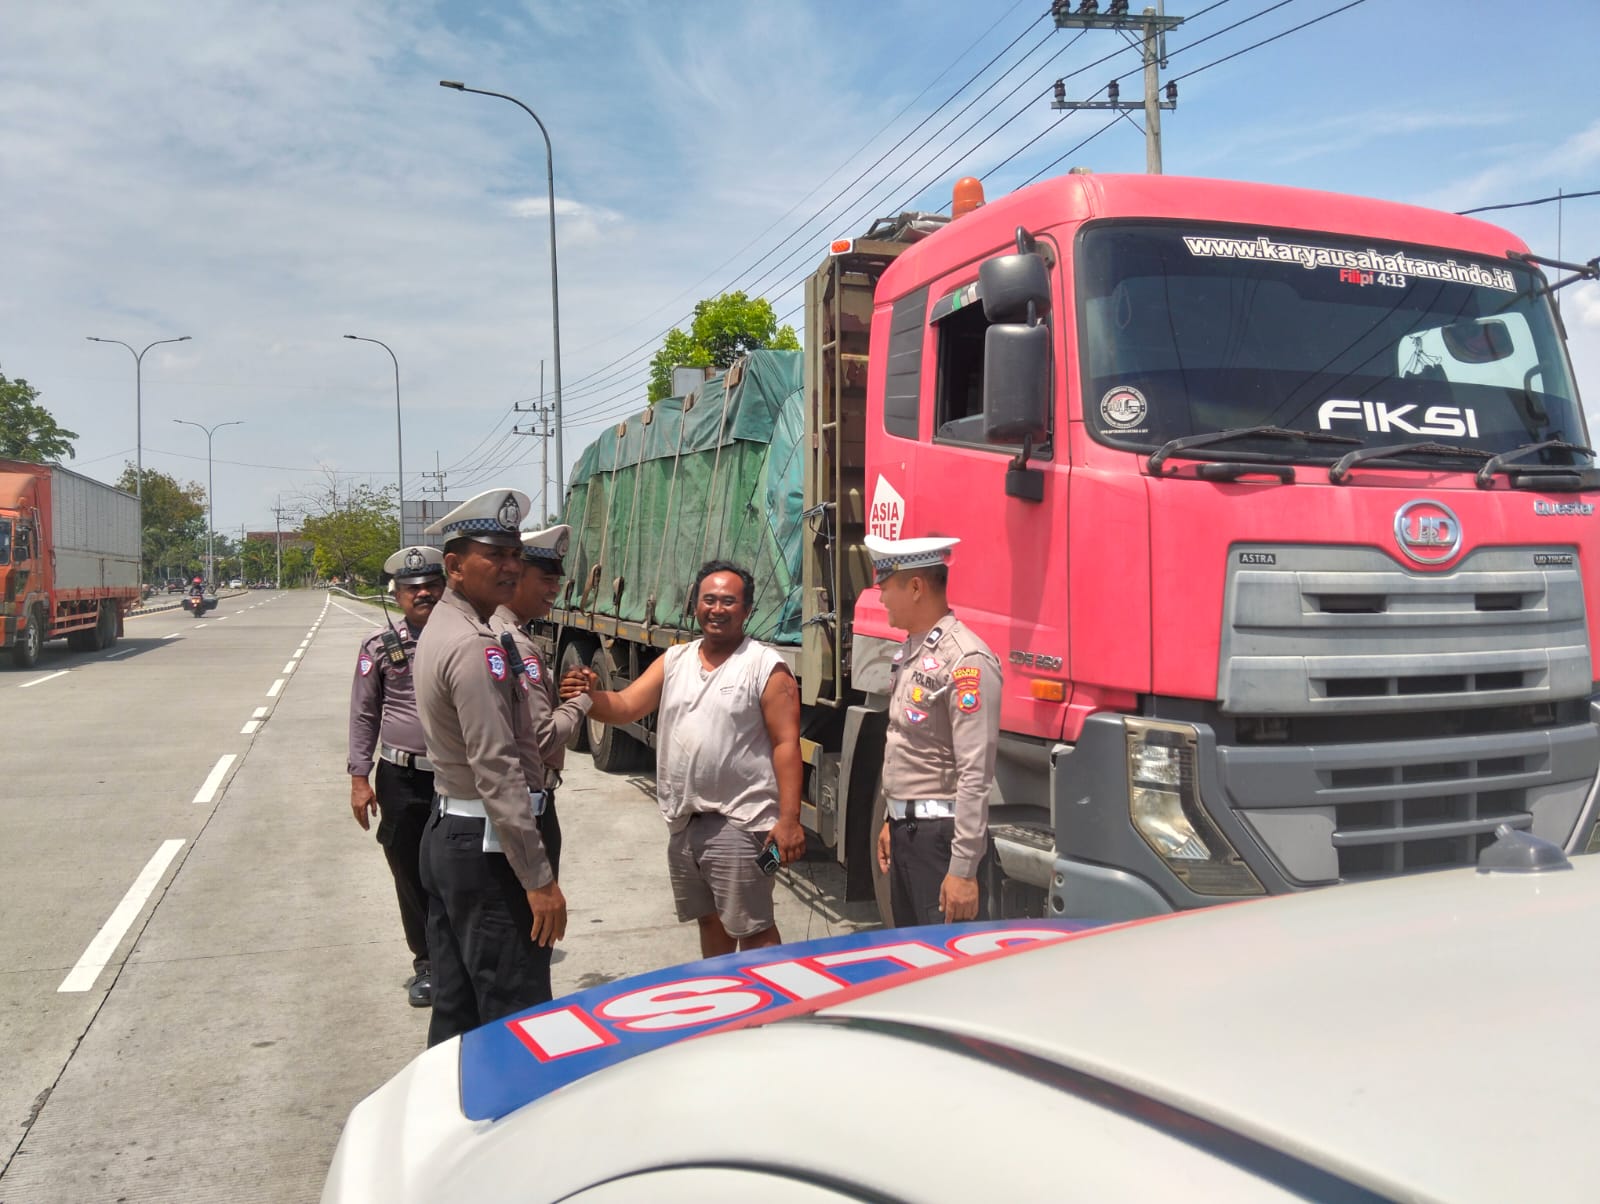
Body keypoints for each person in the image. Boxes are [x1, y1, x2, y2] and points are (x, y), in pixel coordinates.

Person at [563, 559, 804, 958]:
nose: (717, 608)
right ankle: (722, 1002)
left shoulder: (764, 666)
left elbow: (786, 745)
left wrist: (789, 820)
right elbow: (624, 706)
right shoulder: (675, 661)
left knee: (754, 929)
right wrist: (589, 695)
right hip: (685, 825)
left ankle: (768, 1014)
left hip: (741, 825)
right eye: (709, 599)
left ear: (747, 610)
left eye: (729, 601)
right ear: (696, 605)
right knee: (709, 921)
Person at [413, 489, 566, 1047]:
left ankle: (446, 1122)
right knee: (514, 1010)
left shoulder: (445, 629)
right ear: (454, 566)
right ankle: (514, 1129)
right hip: (486, 844)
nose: (508, 567)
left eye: (512, 555)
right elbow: (497, 770)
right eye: (492, 555)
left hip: (453, 831)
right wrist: (539, 879)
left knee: (457, 1008)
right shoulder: (475, 645)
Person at [867, 535, 1002, 926]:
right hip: (910, 835)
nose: (881, 599)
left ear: (914, 587)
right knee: (913, 961)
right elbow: (905, 745)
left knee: (948, 971)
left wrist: (962, 869)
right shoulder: (913, 651)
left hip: (941, 842)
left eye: (886, 587)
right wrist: (893, 819)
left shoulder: (965, 659)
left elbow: (975, 773)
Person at [346, 545, 445, 1008]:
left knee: (461, 869)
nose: (422, 593)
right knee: (408, 870)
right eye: (412, 589)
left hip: (459, 778)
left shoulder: (469, 640)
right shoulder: (379, 648)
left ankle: (461, 956)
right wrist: (359, 777)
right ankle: (427, 963)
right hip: (402, 778)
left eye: (430, 586)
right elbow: (364, 714)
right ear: (397, 595)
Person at [486, 523, 596, 933]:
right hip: (527, 802)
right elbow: (542, 735)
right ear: (515, 577)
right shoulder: (514, 643)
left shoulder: (500, 632)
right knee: (529, 935)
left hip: (510, 801)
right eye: (545, 578)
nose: (554, 588)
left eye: (557, 579)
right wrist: (582, 700)